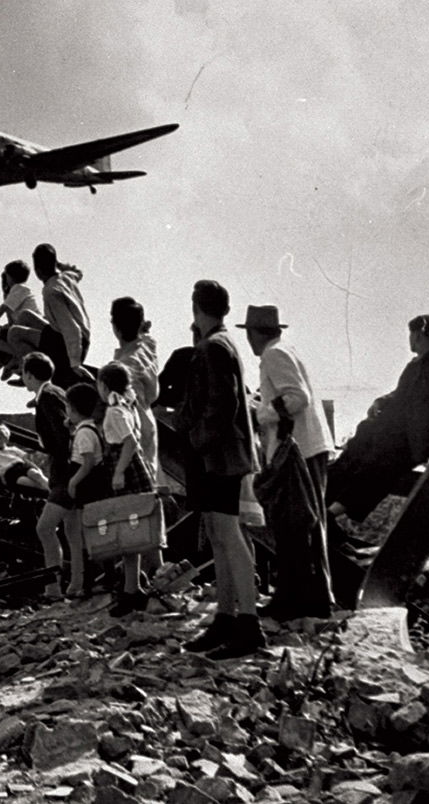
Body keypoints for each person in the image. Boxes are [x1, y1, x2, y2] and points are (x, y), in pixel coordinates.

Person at [178, 280, 264, 659]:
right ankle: (227, 617)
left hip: (219, 458)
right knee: (219, 532)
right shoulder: (222, 344)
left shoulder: (213, 347)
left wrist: (195, 439)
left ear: (196, 306)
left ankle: (248, 624)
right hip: (221, 455)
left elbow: (220, 405)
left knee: (227, 533)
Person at [239, 304, 334, 621]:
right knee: (308, 526)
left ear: (255, 334)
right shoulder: (285, 350)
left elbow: (296, 397)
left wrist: (261, 413)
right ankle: (313, 599)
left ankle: (294, 600)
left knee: (292, 527)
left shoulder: (272, 355)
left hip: (297, 453)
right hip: (309, 448)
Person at [327, 314, 429, 523]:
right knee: (363, 436)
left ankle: (333, 511)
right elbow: (399, 394)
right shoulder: (414, 366)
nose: (410, 339)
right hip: (396, 433)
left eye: (412, 334)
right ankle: (324, 497)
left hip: (413, 440)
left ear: (418, 336)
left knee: (378, 463)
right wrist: (380, 401)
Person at [96, 362, 157, 617]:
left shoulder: (114, 411)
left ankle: (131, 591)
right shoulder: (128, 407)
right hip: (134, 471)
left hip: (125, 473)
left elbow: (129, 442)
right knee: (131, 534)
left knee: (127, 535)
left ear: (104, 386)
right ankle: (133, 587)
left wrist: (119, 471)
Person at [22, 353, 72, 600]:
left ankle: (53, 587)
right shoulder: (57, 392)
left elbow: (62, 439)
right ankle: (73, 585)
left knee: (45, 528)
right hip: (70, 471)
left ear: (29, 374)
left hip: (65, 472)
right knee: (73, 530)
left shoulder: (48, 397)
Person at [7, 244, 91, 387]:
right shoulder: (67, 277)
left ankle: (38, 374)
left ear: (37, 271)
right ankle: (21, 362)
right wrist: (58, 264)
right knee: (25, 315)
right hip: (68, 335)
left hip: (68, 344)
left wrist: (75, 363)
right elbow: (78, 272)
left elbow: (71, 328)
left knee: (14, 334)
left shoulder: (51, 292)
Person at [64, 383, 109, 597]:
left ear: (72, 409)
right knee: (97, 533)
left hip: (88, 486)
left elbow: (88, 461)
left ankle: (90, 583)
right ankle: (101, 578)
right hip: (96, 485)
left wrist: (73, 482)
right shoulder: (92, 428)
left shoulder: (83, 434)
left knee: (88, 534)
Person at [111, 297, 160, 477]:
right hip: (148, 420)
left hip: (132, 428)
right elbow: (147, 338)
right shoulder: (147, 348)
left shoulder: (124, 365)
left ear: (115, 327)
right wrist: (144, 329)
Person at [0, 260, 41, 378]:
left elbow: (2, 309)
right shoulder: (14, 292)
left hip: (28, 329)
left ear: (10, 276)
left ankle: (16, 357)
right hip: (19, 327)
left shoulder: (20, 288)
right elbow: (10, 317)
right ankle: (5, 358)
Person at [0, 425, 49, 493]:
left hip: (21, 466)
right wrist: (1, 477)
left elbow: (26, 460)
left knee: (36, 475)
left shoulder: (13, 449)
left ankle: (55, 491)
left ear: (6, 439)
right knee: (24, 482)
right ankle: (53, 494)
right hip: (9, 472)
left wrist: (37, 468)